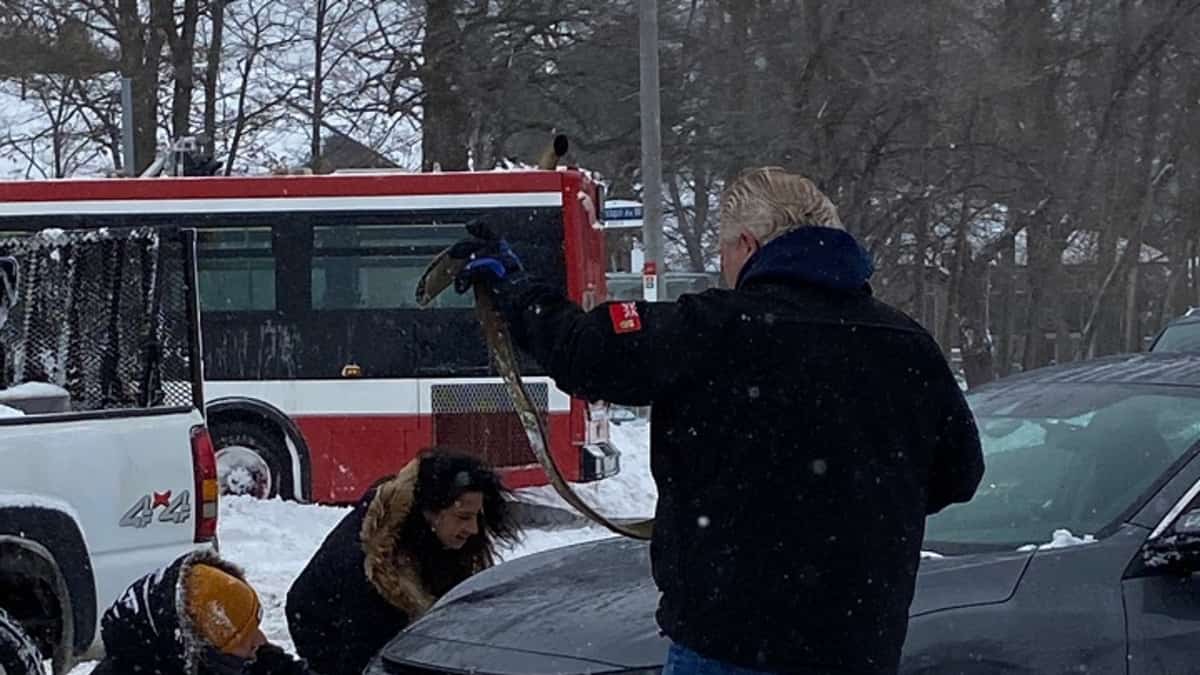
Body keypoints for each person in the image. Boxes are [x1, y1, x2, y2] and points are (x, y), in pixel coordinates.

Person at [449, 167, 985, 675]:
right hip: (859, 643)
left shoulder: (716, 328)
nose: (725, 268)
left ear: (748, 246)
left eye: (725, 251)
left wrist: (518, 291)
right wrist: (850, 499)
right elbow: (959, 475)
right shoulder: (908, 345)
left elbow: (585, 352)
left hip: (730, 639)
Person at [285, 449, 519, 675]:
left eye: (477, 517)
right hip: (335, 643)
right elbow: (364, 657)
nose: (473, 529)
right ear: (430, 511)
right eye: (463, 517)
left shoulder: (435, 538)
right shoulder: (368, 567)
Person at [92, 550, 313, 675]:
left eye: (256, 627)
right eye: (246, 640)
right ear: (205, 651)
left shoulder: (234, 662)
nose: (261, 641)